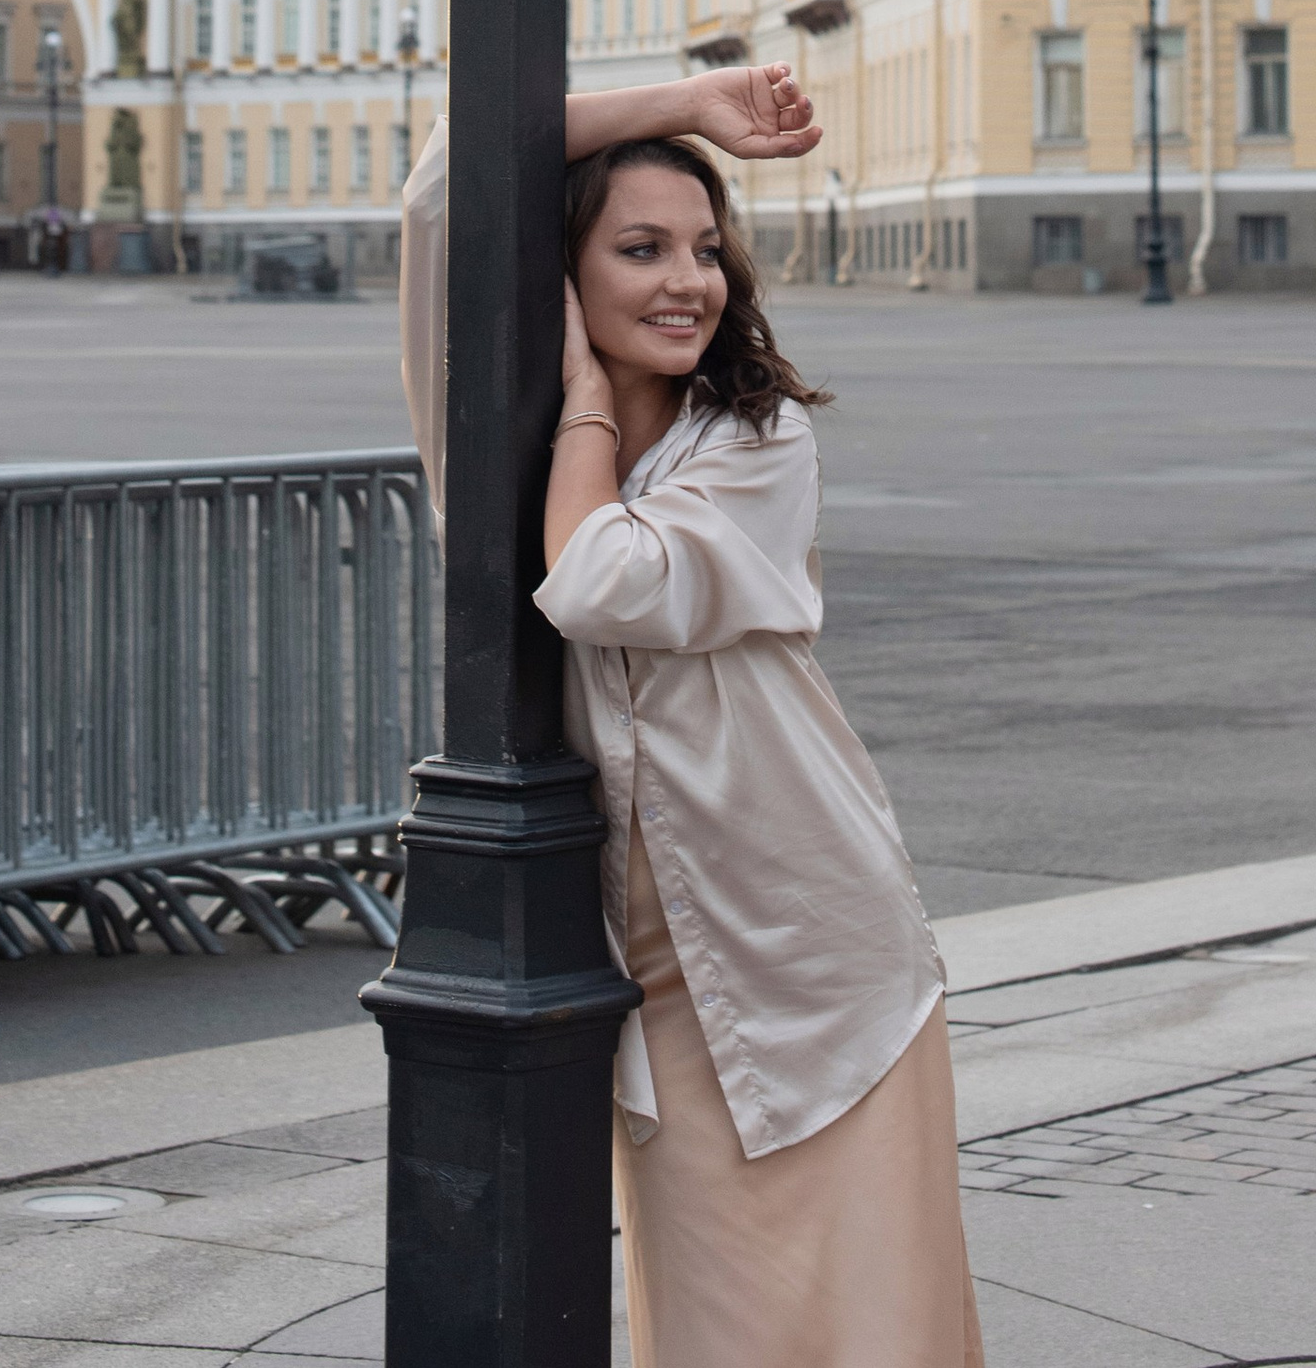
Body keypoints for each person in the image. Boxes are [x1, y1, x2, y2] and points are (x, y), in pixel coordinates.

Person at [400, 70, 983, 1368]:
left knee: (878, 1335)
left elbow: (607, 579)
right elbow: (449, 176)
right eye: (640, 249)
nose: (688, 282)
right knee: (712, 1335)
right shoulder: (488, 434)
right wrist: (693, 102)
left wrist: (590, 411)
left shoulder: (755, 441)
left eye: (708, 249)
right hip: (664, 999)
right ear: (561, 275)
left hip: (822, 962)